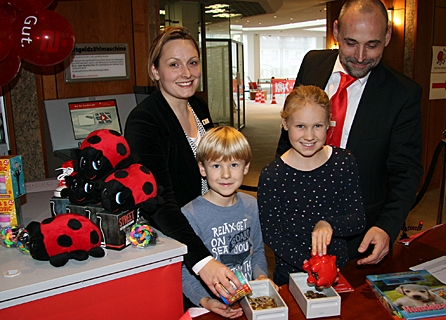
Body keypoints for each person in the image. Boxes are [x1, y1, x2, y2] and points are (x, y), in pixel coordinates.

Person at [276, 0, 423, 266]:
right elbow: (290, 133)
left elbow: (406, 172)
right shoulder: (312, 63)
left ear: (387, 36)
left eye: (373, 44)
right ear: (336, 32)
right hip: (296, 224)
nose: (360, 55)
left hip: (358, 234)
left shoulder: (403, 95)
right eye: (351, 42)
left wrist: (387, 228)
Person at [124, 26, 241, 299]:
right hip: (174, 240)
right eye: (173, 65)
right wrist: (202, 261)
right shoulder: (144, 121)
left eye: (192, 63)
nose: (186, 73)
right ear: (155, 71)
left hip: (207, 230)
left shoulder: (198, 107)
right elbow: (159, 202)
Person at [259, 85, 366, 286]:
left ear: (328, 124)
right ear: (285, 123)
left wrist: (330, 224)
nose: (309, 136)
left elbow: (358, 219)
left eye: (317, 126)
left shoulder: (344, 162)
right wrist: (309, 264)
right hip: (292, 273)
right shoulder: (273, 175)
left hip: (339, 270)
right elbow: (271, 233)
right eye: (300, 126)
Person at [182, 126, 274, 318]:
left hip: (248, 301)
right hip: (210, 307)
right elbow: (184, 270)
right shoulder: (190, 214)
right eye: (216, 166)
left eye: (234, 165)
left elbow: (256, 251)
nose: (226, 174)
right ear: (202, 168)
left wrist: (261, 277)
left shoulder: (251, 205)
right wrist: (205, 300)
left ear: (246, 167)